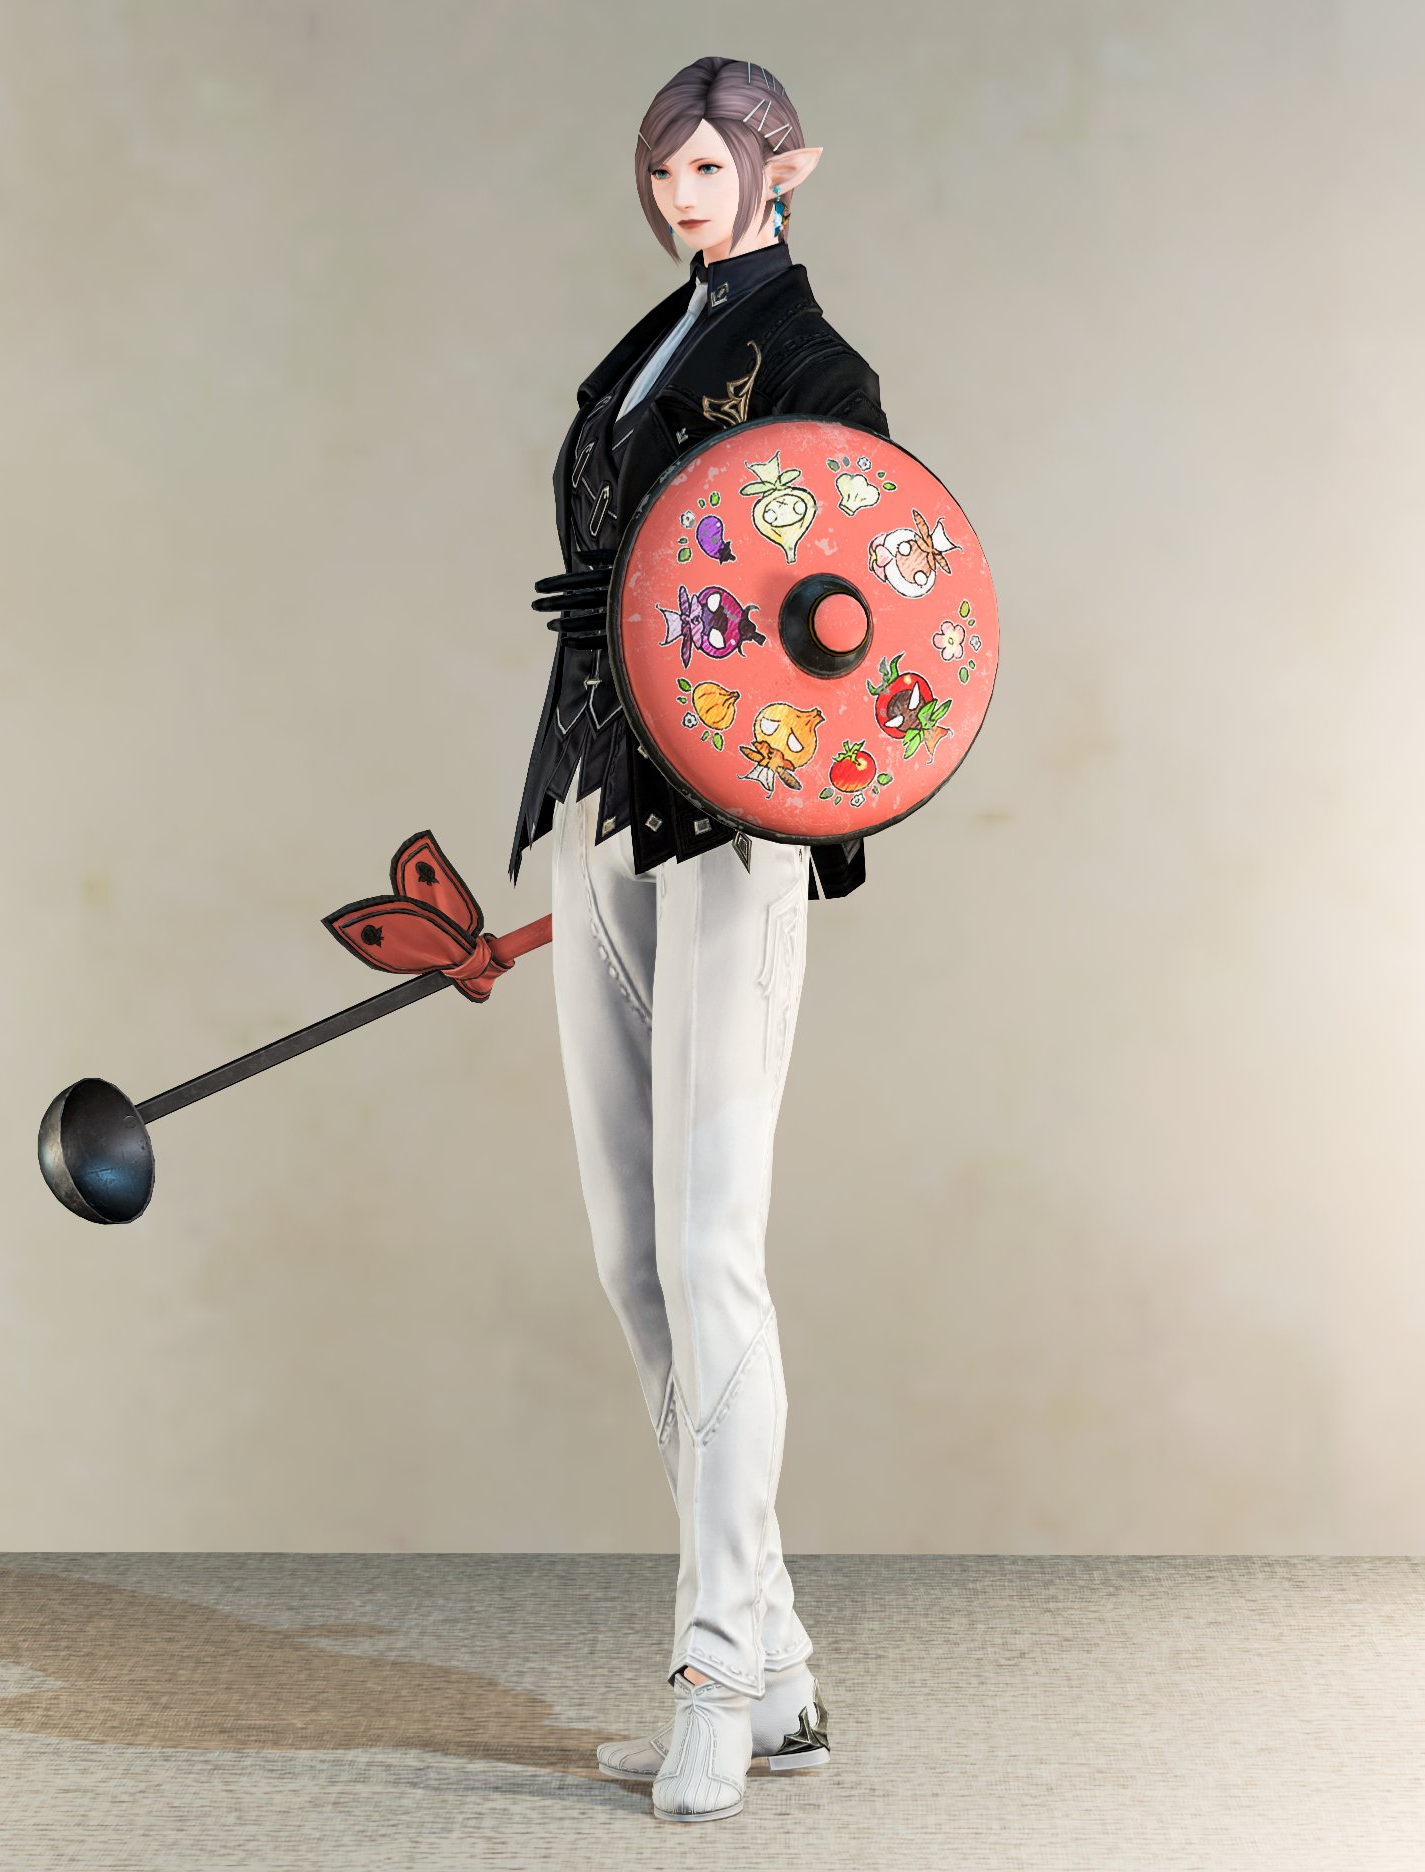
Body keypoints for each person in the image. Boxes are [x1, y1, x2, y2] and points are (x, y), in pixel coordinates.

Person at [508, 58, 891, 1825]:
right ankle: (783, 1668)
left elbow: (863, 604)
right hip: (603, 807)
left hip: (733, 827)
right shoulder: (645, 352)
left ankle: (718, 1668)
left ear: (782, 169)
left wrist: (691, 613)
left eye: (710, 164)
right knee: (632, 1255)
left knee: (708, 1246)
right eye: (663, 165)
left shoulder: (813, 368)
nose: (681, 192)